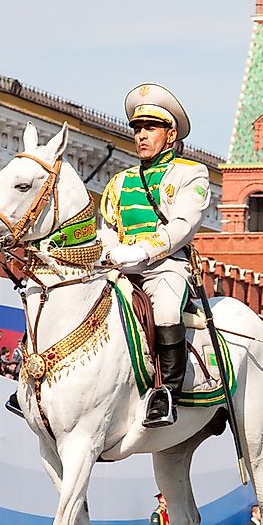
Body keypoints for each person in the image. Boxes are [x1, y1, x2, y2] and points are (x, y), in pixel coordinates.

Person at [99, 83, 210, 428]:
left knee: (164, 310)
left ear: (171, 133)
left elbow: (182, 225)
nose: (142, 136)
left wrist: (142, 252)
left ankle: (167, 394)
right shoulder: (120, 181)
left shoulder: (190, 174)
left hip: (165, 266)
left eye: (150, 128)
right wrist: (111, 251)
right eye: (137, 129)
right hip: (121, 265)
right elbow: (108, 225)